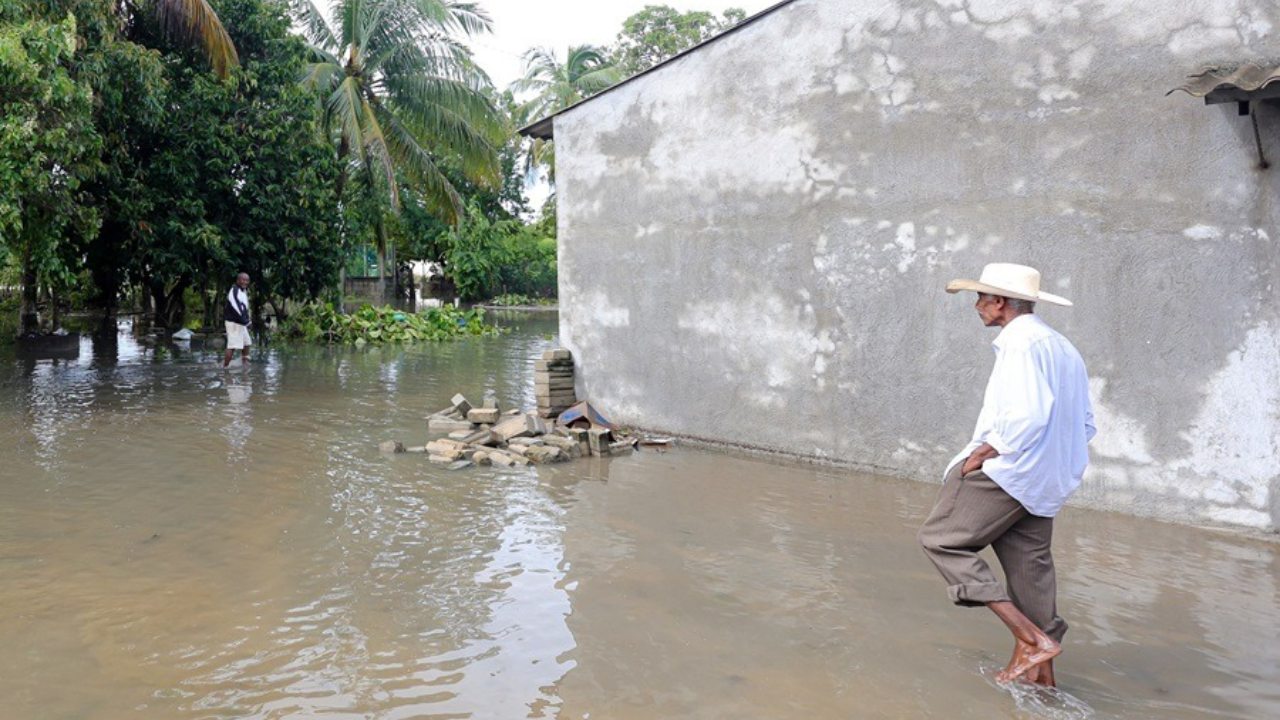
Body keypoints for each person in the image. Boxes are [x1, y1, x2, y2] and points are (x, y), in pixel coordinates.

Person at [918, 262, 1095, 687]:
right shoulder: (1062, 346)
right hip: (1046, 478)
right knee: (1029, 569)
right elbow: (1085, 423)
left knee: (941, 540)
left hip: (1009, 472)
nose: (977, 306)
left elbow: (1028, 416)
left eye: (982, 298)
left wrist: (983, 453)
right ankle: (1043, 684)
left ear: (1000, 303)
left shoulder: (1019, 343)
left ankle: (1030, 639)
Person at [223, 272, 252, 368]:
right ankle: (225, 367)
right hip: (233, 323)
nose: (245, 282)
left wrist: (247, 320)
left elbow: (244, 307)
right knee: (232, 346)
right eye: (243, 280)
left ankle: (244, 363)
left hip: (241, 323)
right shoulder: (234, 290)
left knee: (247, 343)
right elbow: (237, 308)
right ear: (238, 280)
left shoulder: (243, 291)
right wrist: (246, 322)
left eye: (247, 280)